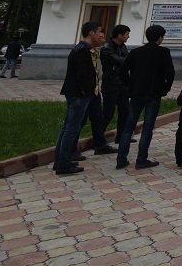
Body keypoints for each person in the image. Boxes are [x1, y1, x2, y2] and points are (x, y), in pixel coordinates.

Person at [116, 24, 175, 170]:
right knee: (148, 127)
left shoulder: (136, 52)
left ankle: (121, 159)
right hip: (154, 93)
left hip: (136, 93)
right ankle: (141, 159)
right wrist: (165, 88)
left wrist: (130, 85)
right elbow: (170, 72)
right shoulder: (163, 52)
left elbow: (122, 71)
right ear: (160, 38)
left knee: (129, 127)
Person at [53, 21, 107, 175]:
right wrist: (88, 91)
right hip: (79, 94)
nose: (100, 35)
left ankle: (60, 161)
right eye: (98, 32)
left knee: (67, 127)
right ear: (91, 33)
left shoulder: (85, 49)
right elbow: (82, 75)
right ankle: (63, 162)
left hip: (78, 93)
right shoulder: (82, 50)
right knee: (71, 128)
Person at [100, 25, 132, 143]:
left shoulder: (123, 47)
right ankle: (99, 138)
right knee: (108, 113)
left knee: (125, 111)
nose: (128, 36)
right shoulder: (106, 48)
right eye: (127, 34)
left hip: (122, 83)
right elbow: (122, 62)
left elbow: (126, 62)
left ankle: (121, 137)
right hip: (111, 84)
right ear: (119, 35)